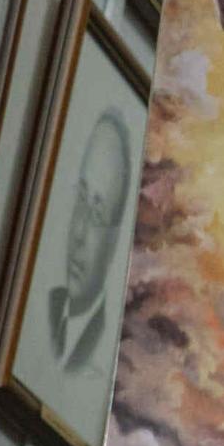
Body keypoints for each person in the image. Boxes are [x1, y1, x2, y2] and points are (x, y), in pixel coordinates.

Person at [46, 108, 133, 381]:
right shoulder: (48, 308)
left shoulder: (105, 355)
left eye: (97, 214)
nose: (79, 232)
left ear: (115, 241)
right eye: (81, 199)